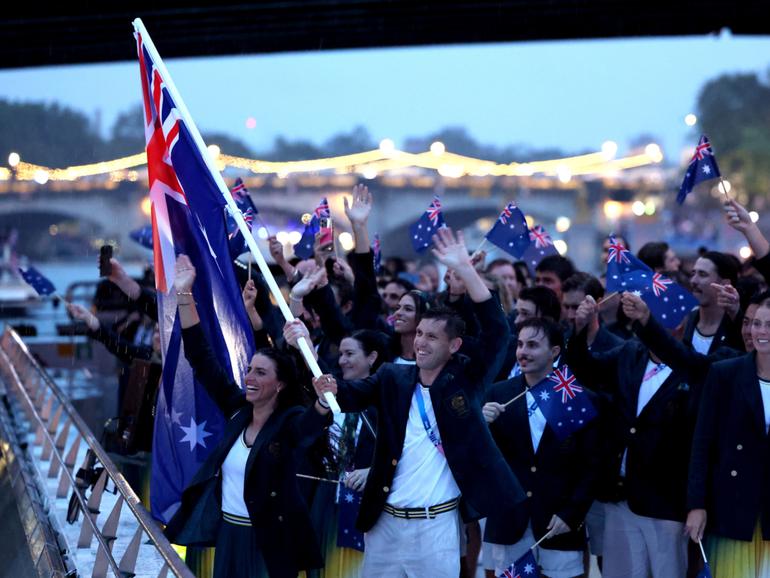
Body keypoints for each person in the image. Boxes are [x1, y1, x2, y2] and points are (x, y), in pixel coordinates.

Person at [313, 227, 522, 577]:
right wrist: (328, 389)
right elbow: (352, 393)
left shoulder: (466, 381)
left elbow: (498, 332)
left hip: (435, 527)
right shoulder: (394, 377)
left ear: (454, 346)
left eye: (432, 337)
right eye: (420, 333)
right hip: (385, 523)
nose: (421, 342)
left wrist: (467, 272)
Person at [164, 255, 334, 578]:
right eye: (249, 370)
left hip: (268, 543)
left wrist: (323, 402)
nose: (250, 378)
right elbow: (200, 357)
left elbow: (309, 426)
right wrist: (184, 293)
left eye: (260, 373)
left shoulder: (289, 420)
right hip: (229, 534)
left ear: (281, 384)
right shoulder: (239, 409)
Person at [568, 294, 702, 578]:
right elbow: (585, 370)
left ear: (681, 323)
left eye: (655, 317)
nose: (648, 321)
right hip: (621, 494)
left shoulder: (695, 368)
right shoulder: (630, 352)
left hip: (666, 502)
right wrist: (579, 328)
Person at [482, 317, 599, 578]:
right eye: (520, 344)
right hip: (510, 520)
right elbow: (482, 461)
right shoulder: (497, 394)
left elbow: (590, 466)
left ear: (555, 351)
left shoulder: (572, 396)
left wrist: (571, 514)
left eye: (533, 345)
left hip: (557, 523)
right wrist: (482, 426)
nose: (523, 352)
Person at [685, 295, 770, 578]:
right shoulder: (725, 373)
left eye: (769, 325)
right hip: (732, 507)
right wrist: (697, 505)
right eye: (757, 323)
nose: (760, 332)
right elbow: (702, 444)